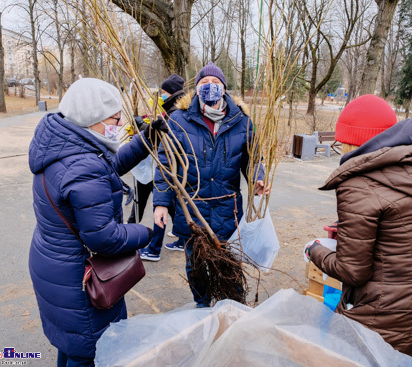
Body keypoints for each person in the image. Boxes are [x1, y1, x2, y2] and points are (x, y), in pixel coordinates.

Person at [28, 78, 164, 366]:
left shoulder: (65, 145)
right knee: (91, 351)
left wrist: (147, 139)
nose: (119, 125)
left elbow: (107, 168)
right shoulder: (83, 165)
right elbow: (105, 237)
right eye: (115, 119)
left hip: (56, 268)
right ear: (92, 118)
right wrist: (146, 232)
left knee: (72, 345)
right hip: (80, 279)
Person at [305, 94, 412, 362]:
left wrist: (314, 250)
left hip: (384, 329)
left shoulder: (358, 185)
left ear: (354, 140)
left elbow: (352, 271)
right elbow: (402, 231)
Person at [153, 62, 268, 307]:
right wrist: (161, 203)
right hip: (192, 210)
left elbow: (254, 158)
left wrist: (258, 177)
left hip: (228, 210)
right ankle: (201, 306)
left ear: (224, 88)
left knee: (230, 266)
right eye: (204, 83)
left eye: (216, 83)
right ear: (196, 89)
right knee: (195, 266)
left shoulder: (243, 122)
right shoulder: (178, 120)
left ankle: (233, 308)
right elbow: (165, 163)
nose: (210, 87)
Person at [136, 74, 187, 261]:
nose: (162, 96)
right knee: (172, 203)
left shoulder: (175, 113)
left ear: (172, 93)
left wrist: (145, 128)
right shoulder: (173, 109)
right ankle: (182, 239)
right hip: (176, 167)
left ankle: (154, 249)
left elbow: (167, 138)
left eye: (164, 93)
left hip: (172, 166)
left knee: (162, 203)